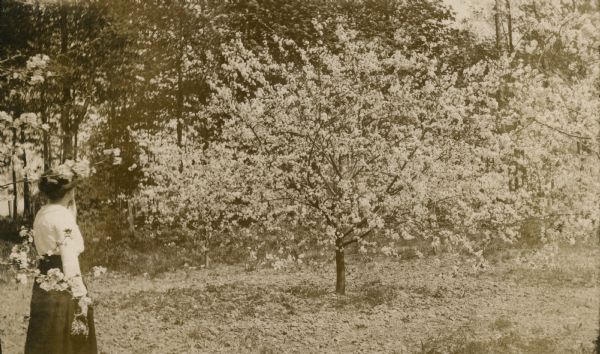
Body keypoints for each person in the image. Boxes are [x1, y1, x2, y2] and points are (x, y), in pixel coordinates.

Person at [24, 170, 97, 354]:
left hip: (44, 279)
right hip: (63, 278)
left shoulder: (42, 214)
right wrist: (80, 295)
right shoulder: (62, 217)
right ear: (68, 192)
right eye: (72, 189)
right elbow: (69, 258)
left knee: (45, 333)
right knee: (67, 333)